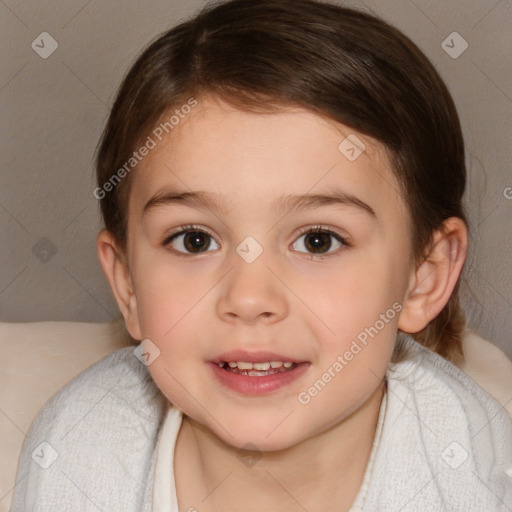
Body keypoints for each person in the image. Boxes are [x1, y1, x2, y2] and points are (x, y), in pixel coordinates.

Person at [10, 0, 512, 510]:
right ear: (128, 285)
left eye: (319, 240)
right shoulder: (75, 450)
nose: (249, 299)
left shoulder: (473, 479)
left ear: (423, 277)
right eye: (194, 240)